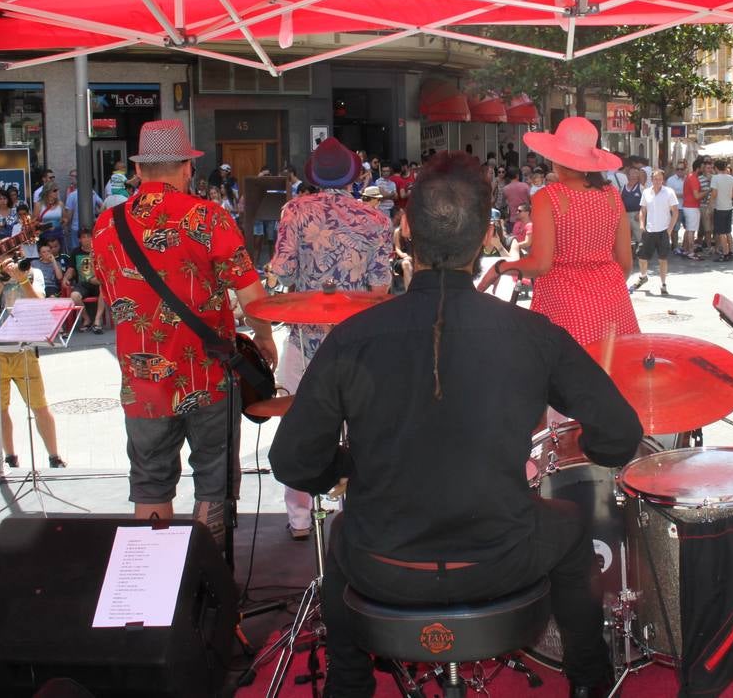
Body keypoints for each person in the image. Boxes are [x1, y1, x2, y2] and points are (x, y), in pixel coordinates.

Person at [270, 151, 642, 698]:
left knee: (342, 533)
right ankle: (589, 682)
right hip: (503, 557)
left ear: (404, 230)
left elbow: (293, 461)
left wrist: (348, 466)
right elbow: (620, 435)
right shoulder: (533, 334)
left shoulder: (353, 337)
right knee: (568, 526)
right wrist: (584, 441)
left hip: (384, 563)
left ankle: (349, 685)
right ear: (486, 235)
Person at [92, 120, 276, 544]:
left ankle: (154, 590)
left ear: (139, 171)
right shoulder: (207, 217)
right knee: (213, 481)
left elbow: (113, 292)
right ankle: (207, 587)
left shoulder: (106, 225)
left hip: (142, 382)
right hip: (207, 375)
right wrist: (264, 338)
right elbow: (251, 293)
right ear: (187, 168)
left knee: (150, 482)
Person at [268, 137, 392, 539]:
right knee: (362, 425)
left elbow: (282, 271)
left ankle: (300, 517)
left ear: (314, 176)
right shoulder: (377, 221)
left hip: (306, 337)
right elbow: (380, 287)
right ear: (354, 175)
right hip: (359, 341)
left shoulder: (295, 211)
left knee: (300, 424)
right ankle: (355, 509)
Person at [483, 117, 637, 344]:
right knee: (613, 376)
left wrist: (500, 267)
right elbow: (625, 265)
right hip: (615, 309)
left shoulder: (549, 197)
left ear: (555, 156)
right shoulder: (612, 196)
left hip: (565, 309)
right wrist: (601, 289)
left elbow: (540, 264)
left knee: (565, 376)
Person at [0, 255, 67, 469]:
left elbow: (40, 305)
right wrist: (0, 280)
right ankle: (10, 457)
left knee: (39, 405)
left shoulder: (33, 273)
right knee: (0, 409)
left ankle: (54, 457)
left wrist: (23, 279)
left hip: (24, 349)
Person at [633, 169, 680, 294]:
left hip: (663, 230)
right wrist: (642, 224)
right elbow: (643, 210)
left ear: (663, 180)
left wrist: (669, 229)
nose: (657, 181)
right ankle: (643, 276)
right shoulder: (646, 192)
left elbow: (675, 212)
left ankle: (663, 283)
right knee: (641, 256)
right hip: (649, 229)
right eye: (655, 179)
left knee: (662, 258)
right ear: (651, 179)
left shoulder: (669, 192)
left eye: (659, 179)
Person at [67, 228, 106, 333]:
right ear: (79, 240)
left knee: (104, 290)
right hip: (83, 283)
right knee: (74, 296)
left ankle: (97, 320)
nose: (87, 239)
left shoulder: (99, 250)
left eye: (89, 236)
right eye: (84, 237)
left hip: (98, 283)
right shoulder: (76, 252)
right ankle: (87, 319)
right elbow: (71, 269)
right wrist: (66, 278)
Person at [709, 158, 733, 261]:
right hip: (729, 207)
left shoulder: (715, 178)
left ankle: (725, 254)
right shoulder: (731, 178)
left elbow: (714, 193)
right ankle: (731, 251)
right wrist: (729, 196)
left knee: (721, 233)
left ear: (716, 168)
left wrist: (710, 204)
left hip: (719, 207)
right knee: (728, 231)